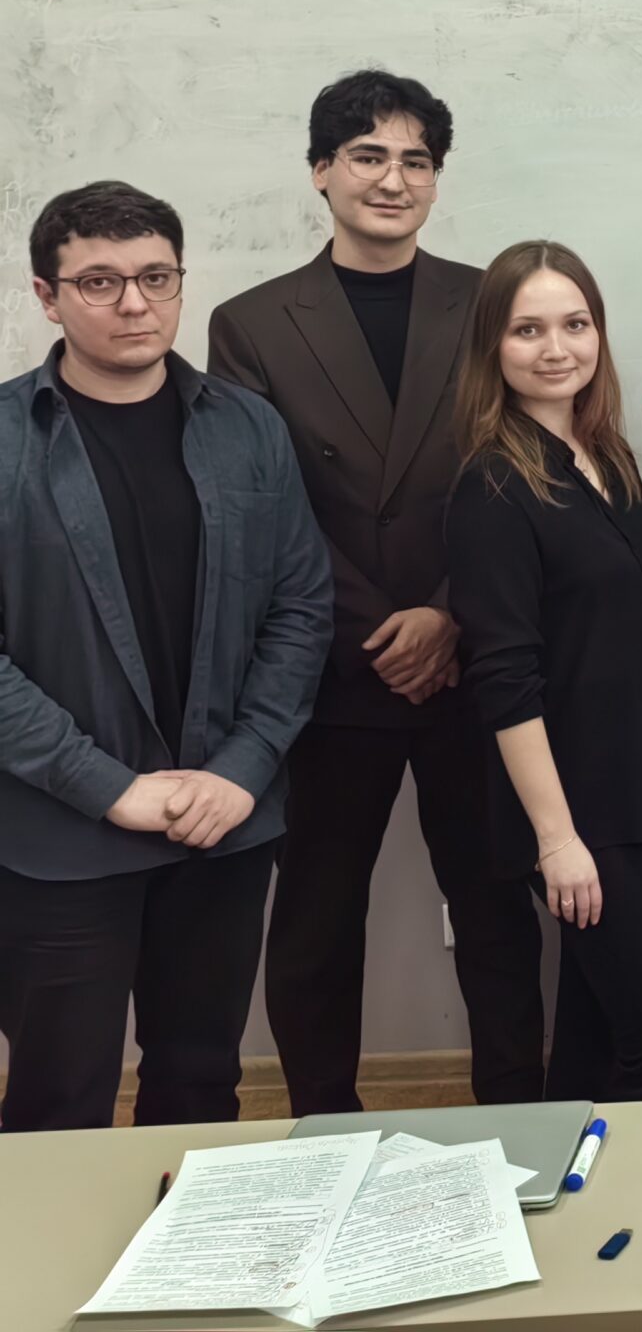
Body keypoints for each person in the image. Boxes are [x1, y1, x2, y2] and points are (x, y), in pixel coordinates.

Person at [207, 70, 544, 1115]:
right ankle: (325, 1124)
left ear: (436, 179)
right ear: (322, 171)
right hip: (332, 666)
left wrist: (447, 612)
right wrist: (379, 628)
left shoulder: (488, 300)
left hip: (472, 656)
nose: (392, 180)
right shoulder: (251, 322)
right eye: (367, 156)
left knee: (496, 909)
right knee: (316, 918)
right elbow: (261, 506)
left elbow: (520, 465)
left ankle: (515, 1116)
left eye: (415, 161)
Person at [0, 182, 331, 1130]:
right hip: (62, 836)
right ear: (47, 296)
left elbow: (301, 608)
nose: (134, 303)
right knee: (59, 1099)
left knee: (199, 1086)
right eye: (99, 281)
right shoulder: (6, 440)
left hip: (222, 824)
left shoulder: (248, 427)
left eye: (155, 277)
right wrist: (108, 787)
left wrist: (242, 768)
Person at [448, 241, 642, 1100]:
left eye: (575, 324)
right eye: (528, 330)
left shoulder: (609, 460)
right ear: (492, 345)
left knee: (595, 1041)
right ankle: (625, 1185)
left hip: (640, 799)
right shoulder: (494, 484)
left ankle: (563, 1175)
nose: (556, 348)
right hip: (578, 814)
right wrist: (557, 842)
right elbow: (505, 680)